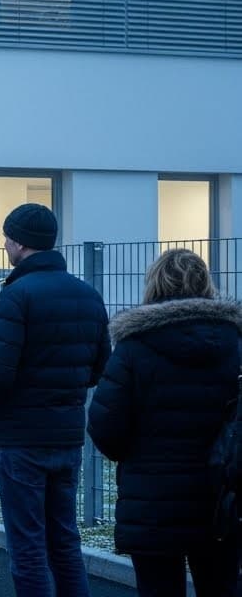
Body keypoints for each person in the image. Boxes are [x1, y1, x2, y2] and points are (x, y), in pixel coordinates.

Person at [0, 204, 109, 597]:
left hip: (21, 438)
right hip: (66, 434)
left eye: (6, 238)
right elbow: (100, 367)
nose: (4, 245)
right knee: (64, 540)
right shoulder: (88, 295)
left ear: (18, 243)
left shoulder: (15, 296)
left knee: (28, 545)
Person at [88, 249, 242, 597]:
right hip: (222, 496)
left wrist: (137, 456)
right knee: (222, 586)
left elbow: (105, 426)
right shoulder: (235, 342)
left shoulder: (134, 346)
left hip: (152, 498)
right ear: (206, 283)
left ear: (154, 284)